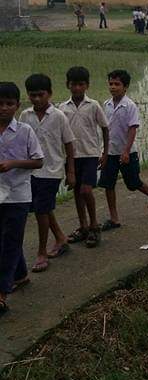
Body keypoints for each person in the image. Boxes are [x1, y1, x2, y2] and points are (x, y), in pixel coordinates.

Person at [20, 73, 76, 272]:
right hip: (30, 170)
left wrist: (71, 171)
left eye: (40, 95)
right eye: (32, 95)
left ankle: (41, 252)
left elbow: (69, 144)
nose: (36, 99)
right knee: (41, 208)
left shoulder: (59, 116)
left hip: (52, 170)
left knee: (41, 211)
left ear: (50, 94)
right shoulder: (25, 116)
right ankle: (60, 238)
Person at [98, 70, 148, 229]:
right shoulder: (106, 105)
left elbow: (132, 129)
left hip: (127, 152)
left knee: (133, 183)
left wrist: (126, 151)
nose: (113, 87)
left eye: (117, 84)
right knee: (108, 184)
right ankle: (114, 218)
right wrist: (103, 151)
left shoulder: (130, 106)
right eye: (111, 84)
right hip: (110, 152)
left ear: (125, 87)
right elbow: (105, 130)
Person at [0, 83, 44, 311]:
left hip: (18, 195)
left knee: (10, 242)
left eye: (9, 104)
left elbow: (38, 161)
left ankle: (2, 292)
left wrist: (13, 163)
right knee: (7, 240)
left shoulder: (25, 131)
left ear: (17, 106)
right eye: (0, 104)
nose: (4, 108)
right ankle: (20, 274)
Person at [59, 66, 109, 249]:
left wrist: (105, 152)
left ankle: (94, 226)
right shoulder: (62, 108)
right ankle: (83, 226)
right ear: (68, 85)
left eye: (81, 84)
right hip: (71, 157)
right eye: (74, 84)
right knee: (77, 192)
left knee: (86, 190)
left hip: (90, 154)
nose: (77, 88)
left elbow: (105, 128)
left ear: (87, 85)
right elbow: (60, 134)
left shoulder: (93, 105)